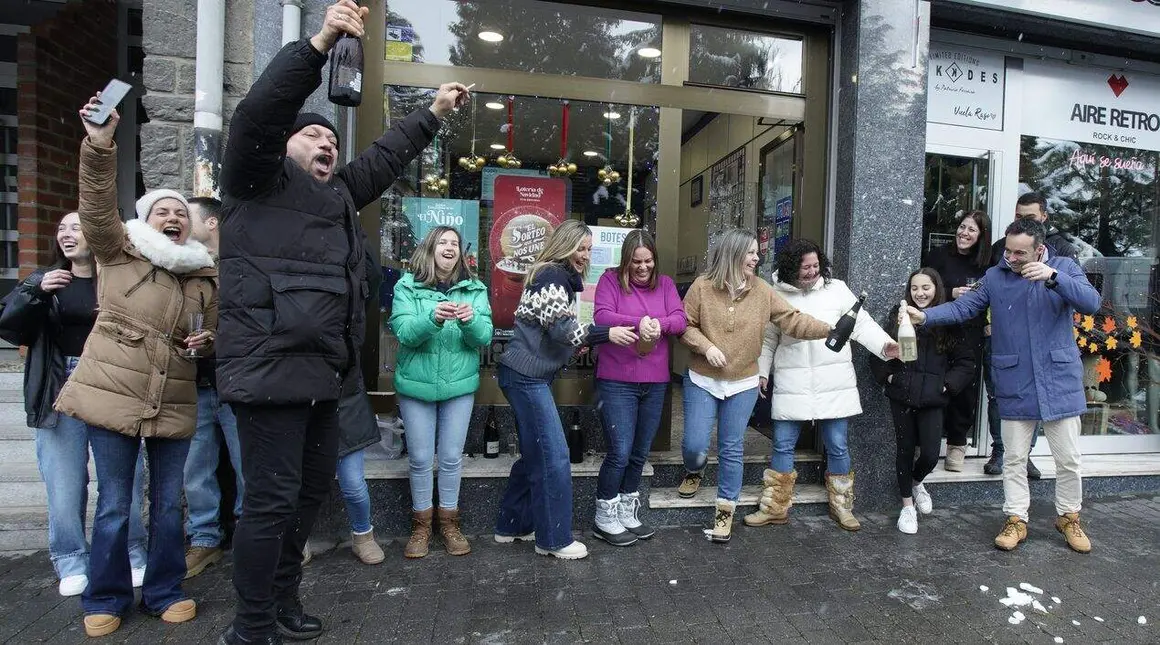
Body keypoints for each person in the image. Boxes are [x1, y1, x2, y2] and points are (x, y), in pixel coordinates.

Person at [215, 1, 468, 640]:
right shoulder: (251, 182)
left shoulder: (336, 197)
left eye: (332, 138)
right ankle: (250, 625)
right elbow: (258, 113)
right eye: (313, 135)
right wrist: (321, 42)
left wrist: (432, 114)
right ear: (282, 145)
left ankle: (284, 603)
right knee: (269, 506)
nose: (327, 142)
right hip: (268, 373)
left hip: (327, 375)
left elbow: (383, 158)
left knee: (304, 500)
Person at [55, 97, 218, 637]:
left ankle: (166, 591)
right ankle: (105, 597)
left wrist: (206, 342)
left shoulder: (202, 274)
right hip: (113, 391)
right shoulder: (118, 251)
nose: (172, 218)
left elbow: (212, 335)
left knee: (169, 504)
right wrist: (100, 143)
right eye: (161, 211)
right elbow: (97, 205)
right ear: (144, 220)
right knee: (115, 505)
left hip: (174, 393)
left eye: (180, 213)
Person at [906, 218, 1100, 554]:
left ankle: (1069, 517)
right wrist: (926, 317)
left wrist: (1054, 278)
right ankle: (1015, 519)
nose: (1010, 257)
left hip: (1058, 379)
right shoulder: (996, 275)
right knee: (1013, 458)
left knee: (1068, 457)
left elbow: (1091, 302)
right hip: (1015, 379)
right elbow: (964, 306)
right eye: (1007, 250)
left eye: (1019, 253)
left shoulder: (1064, 267)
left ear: (1039, 250)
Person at [0, 213, 149, 597]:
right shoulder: (44, 280)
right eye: (62, 228)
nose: (67, 234)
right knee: (65, 483)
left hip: (112, 383)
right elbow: (10, 327)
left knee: (122, 480)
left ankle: (132, 554)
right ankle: (70, 559)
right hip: (59, 384)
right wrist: (36, 291)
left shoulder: (119, 279)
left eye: (76, 227)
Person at [493, 219, 637, 560]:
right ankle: (553, 539)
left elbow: (553, 333)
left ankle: (511, 525)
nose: (585, 255)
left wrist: (575, 344)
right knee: (555, 457)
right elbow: (562, 330)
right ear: (564, 246)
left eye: (589, 249)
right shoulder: (552, 276)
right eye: (580, 248)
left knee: (535, 454)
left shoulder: (555, 278)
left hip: (524, 375)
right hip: (526, 378)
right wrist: (607, 333)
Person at [678, 229, 833, 544]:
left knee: (731, 447)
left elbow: (792, 319)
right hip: (702, 379)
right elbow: (684, 325)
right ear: (733, 254)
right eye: (750, 252)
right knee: (695, 445)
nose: (756, 258)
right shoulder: (702, 287)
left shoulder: (762, 290)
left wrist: (829, 329)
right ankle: (695, 469)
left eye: (755, 253)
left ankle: (725, 514)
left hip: (744, 381)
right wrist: (706, 347)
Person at [746, 239, 897, 533]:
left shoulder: (837, 289)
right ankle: (775, 507)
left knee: (838, 445)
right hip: (792, 381)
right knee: (782, 443)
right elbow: (768, 339)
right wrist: (762, 372)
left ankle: (842, 506)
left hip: (834, 382)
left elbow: (861, 324)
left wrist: (885, 346)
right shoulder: (775, 293)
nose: (812, 272)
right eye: (805, 267)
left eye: (816, 266)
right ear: (791, 267)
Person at [391, 226, 492, 558]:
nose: (450, 247)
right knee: (420, 460)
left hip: (458, 386)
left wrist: (471, 320)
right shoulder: (407, 286)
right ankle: (421, 526)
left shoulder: (475, 289)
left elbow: (484, 337)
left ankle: (449, 522)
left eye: (455, 244)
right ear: (430, 249)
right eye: (443, 242)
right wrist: (431, 318)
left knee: (450, 459)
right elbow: (405, 333)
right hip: (416, 387)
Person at [591, 230, 686, 546]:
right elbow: (602, 316)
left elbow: (680, 319)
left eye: (648, 261)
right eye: (636, 262)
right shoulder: (610, 281)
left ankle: (628, 512)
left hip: (655, 381)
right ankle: (604, 517)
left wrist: (658, 324)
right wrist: (640, 322)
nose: (643, 268)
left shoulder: (667, 285)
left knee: (639, 451)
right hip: (617, 380)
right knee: (619, 451)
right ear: (626, 260)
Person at [871, 269, 975, 534]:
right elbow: (878, 350)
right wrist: (890, 378)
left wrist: (946, 385)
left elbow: (965, 362)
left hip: (933, 398)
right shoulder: (899, 316)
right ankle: (907, 507)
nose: (920, 293)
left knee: (929, 454)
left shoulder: (947, 318)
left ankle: (916, 482)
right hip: (902, 395)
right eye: (915, 288)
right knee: (905, 450)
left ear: (936, 288)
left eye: (926, 287)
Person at [182, 197, 244, 579]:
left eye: (187, 217)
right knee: (196, 468)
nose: (180, 224)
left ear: (213, 223)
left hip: (237, 380)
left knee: (248, 466)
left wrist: (218, 338)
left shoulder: (242, 265)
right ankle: (203, 539)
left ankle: (251, 539)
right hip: (196, 381)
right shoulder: (181, 266)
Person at [926, 211, 990, 473]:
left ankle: (957, 444)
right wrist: (951, 292)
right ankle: (927, 442)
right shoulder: (939, 256)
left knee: (964, 390)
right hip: (940, 330)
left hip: (971, 332)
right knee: (936, 382)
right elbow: (922, 286)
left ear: (981, 236)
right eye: (962, 227)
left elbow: (993, 297)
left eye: (971, 230)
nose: (964, 233)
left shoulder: (987, 264)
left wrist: (989, 321)